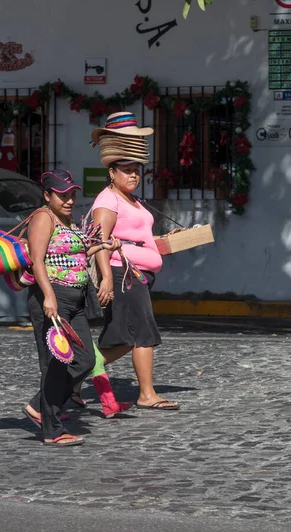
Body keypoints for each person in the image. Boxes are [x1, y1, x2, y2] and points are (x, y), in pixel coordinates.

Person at [23, 168, 129, 447]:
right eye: (62, 195)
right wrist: (48, 297)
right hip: (53, 296)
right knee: (54, 364)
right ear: (47, 195)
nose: (69, 200)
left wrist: (104, 245)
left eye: (72, 194)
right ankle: (52, 430)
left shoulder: (67, 220)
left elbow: (77, 252)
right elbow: (37, 260)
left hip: (77, 299)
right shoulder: (43, 218)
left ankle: (39, 405)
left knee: (85, 360)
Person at [89, 111, 180, 412]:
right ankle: (146, 394)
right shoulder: (108, 200)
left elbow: (139, 237)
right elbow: (99, 241)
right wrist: (105, 278)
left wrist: (167, 241)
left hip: (137, 273)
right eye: (126, 170)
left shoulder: (134, 201)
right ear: (111, 172)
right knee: (139, 335)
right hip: (122, 273)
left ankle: (75, 375)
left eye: (136, 170)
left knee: (125, 336)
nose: (133, 175)